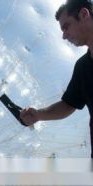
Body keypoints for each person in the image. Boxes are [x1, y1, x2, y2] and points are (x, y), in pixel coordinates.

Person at [20, 0, 93, 157]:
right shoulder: (82, 67)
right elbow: (68, 105)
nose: (64, 36)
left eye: (66, 27)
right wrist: (38, 115)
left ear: (84, 14)